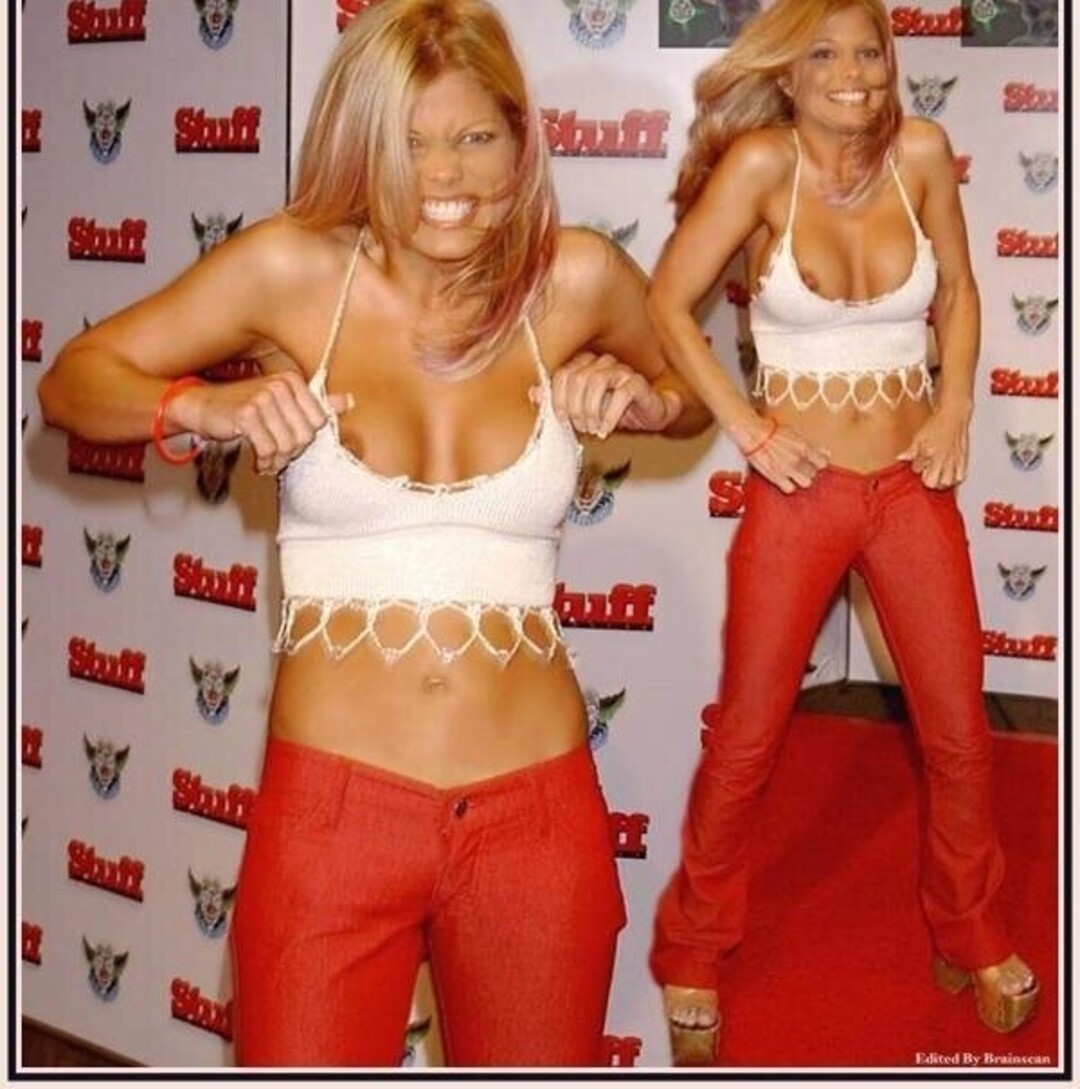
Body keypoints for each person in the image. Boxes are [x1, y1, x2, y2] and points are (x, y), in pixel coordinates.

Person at [38, 0, 709, 1068]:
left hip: (538, 821)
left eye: (474, 136)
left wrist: (650, 398)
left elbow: (697, 390)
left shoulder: (574, 279)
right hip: (333, 819)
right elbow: (74, 381)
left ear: (520, 140)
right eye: (408, 141)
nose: (445, 176)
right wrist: (200, 405)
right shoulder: (292, 271)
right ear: (359, 144)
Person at [643, 0, 1038, 1065]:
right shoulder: (760, 168)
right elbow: (668, 302)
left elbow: (960, 291)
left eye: (870, 50)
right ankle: (695, 946)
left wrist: (955, 407)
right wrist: (748, 427)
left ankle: (971, 928)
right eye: (825, 53)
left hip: (911, 483)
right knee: (748, 738)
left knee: (959, 733)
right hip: (801, 489)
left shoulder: (922, 153)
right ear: (788, 72)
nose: (854, 72)